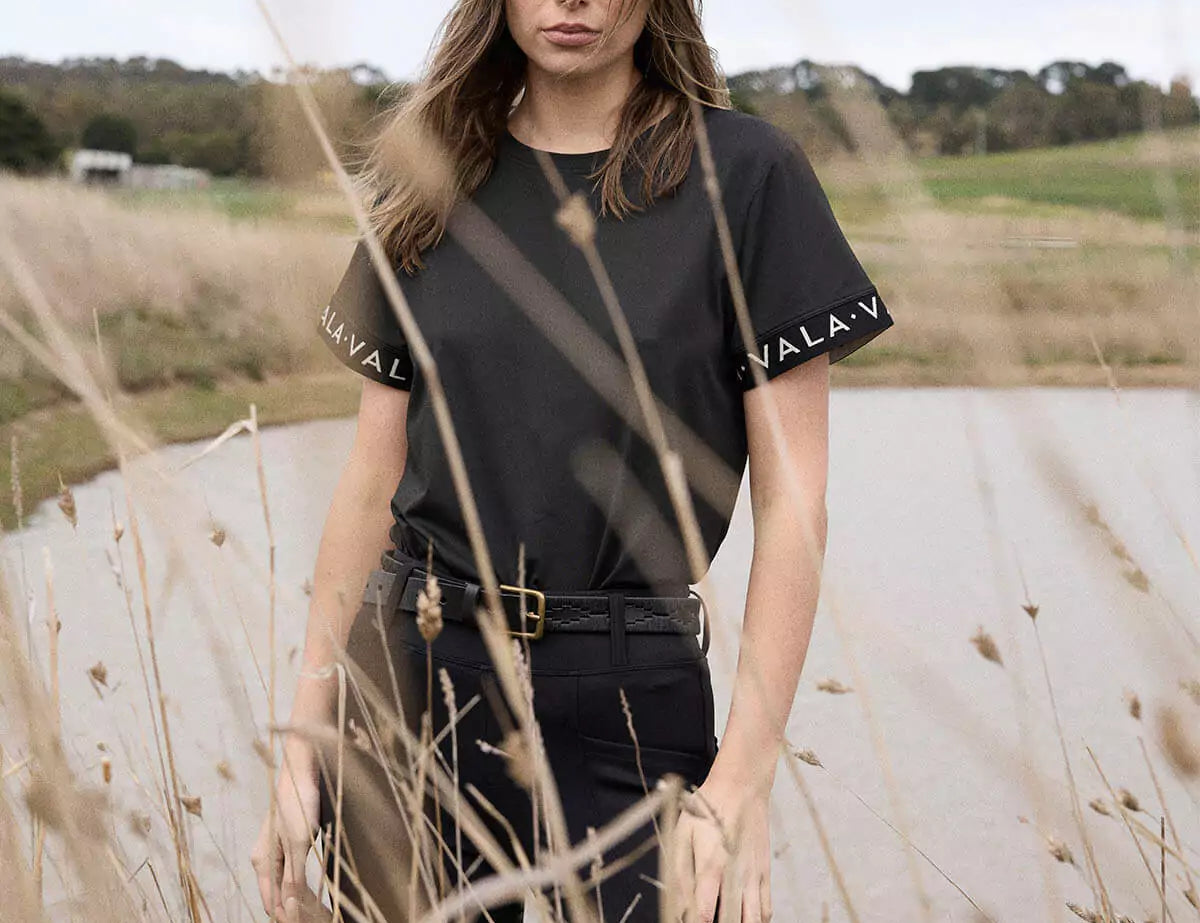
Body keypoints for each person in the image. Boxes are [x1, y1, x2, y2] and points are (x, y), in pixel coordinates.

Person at [251, 0, 895, 920]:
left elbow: (793, 505)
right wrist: (306, 730)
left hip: (629, 707)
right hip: (407, 685)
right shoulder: (429, 173)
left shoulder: (748, 177)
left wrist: (743, 779)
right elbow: (368, 483)